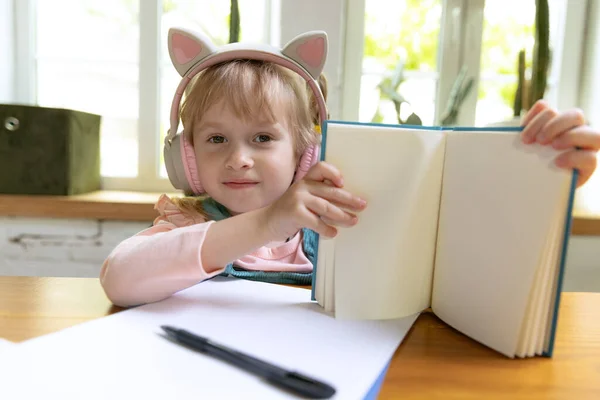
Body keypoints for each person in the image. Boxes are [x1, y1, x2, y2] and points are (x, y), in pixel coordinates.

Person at [100, 27, 600, 308]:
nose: (239, 157)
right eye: (215, 139)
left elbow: (451, 255)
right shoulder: (190, 224)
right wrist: (269, 222)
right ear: (185, 156)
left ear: (305, 153)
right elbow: (119, 280)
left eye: (262, 137)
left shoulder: (329, 217)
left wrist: (537, 179)